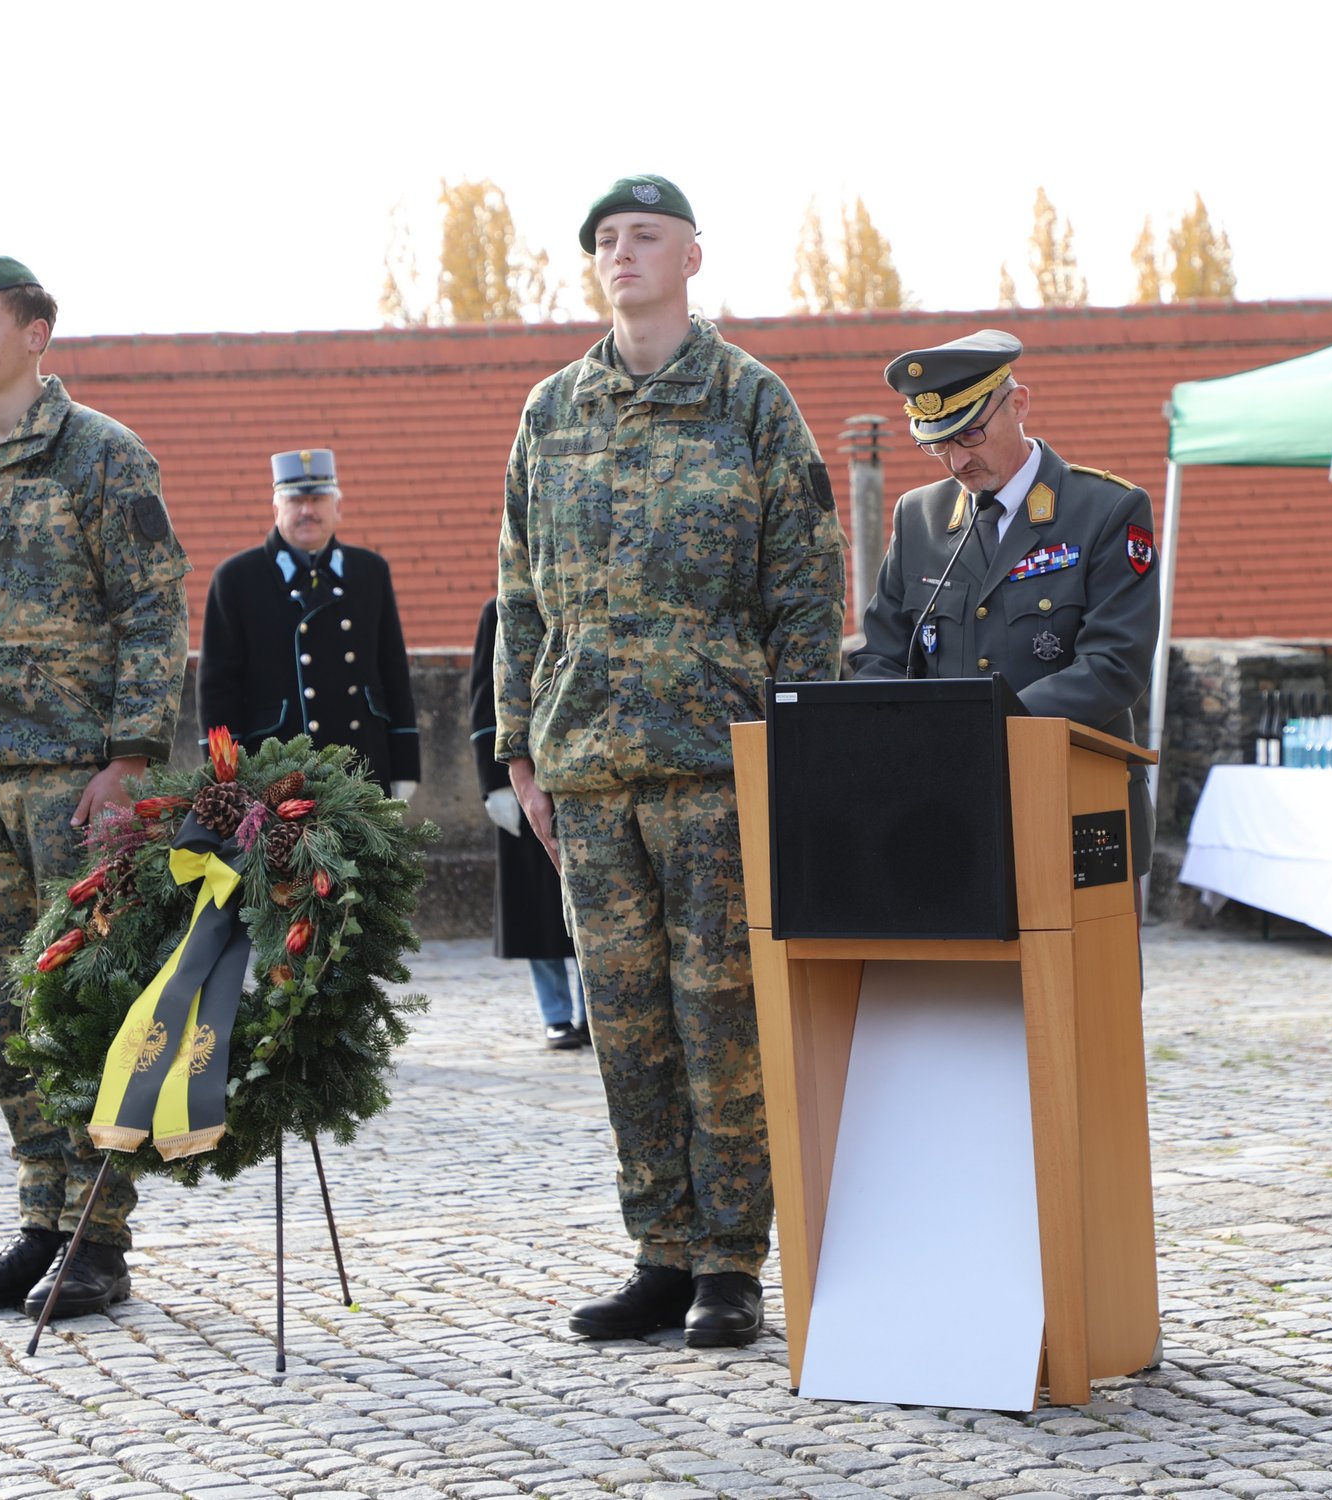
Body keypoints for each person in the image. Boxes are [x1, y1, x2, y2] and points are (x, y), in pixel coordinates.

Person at [494, 173, 845, 1347]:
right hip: (586, 770)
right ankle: (659, 1248)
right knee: (628, 1025)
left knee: (721, 1020)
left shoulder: (749, 404)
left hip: (713, 764)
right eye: (604, 240)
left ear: (692, 256)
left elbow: (803, 587)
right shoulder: (551, 411)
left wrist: (794, 746)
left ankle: (732, 1262)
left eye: (643, 236)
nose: (620, 253)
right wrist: (520, 758)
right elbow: (518, 592)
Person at [0, 256, 190, 1320]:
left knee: (85, 1009)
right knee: (6, 1017)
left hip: (76, 786)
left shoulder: (103, 458)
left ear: (37, 332)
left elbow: (153, 613)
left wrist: (128, 757)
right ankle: (41, 1220)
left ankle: (99, 1236)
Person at [850, 329, 1161, 876]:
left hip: (1073, 802)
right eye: (935, 443)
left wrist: (984, 732)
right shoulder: (918, 518)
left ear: (1018, 404)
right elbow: (882, 656)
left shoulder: (1106, 510)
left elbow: (1115, 666)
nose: (955, 462)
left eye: (969, 434)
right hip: (945, 813)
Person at [198, 449, 419, 798]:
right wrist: (224, 773)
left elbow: (393, 669)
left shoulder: (369, 571)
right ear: (276, 510)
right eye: (295, 500)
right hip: (272, 771)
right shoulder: (237, 578)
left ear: (338, 508)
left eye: (318, 499)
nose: (307, 511)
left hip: (363, 762)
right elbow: (217, 687)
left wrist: (406, 763)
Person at [469, 596, 586, 1050]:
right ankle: (556, 1014)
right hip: (524, 775)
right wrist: (492, 782)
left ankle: (590, 1010)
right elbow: (485, 697)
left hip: (580, 769)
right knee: (536, 910)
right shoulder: (497, 611)